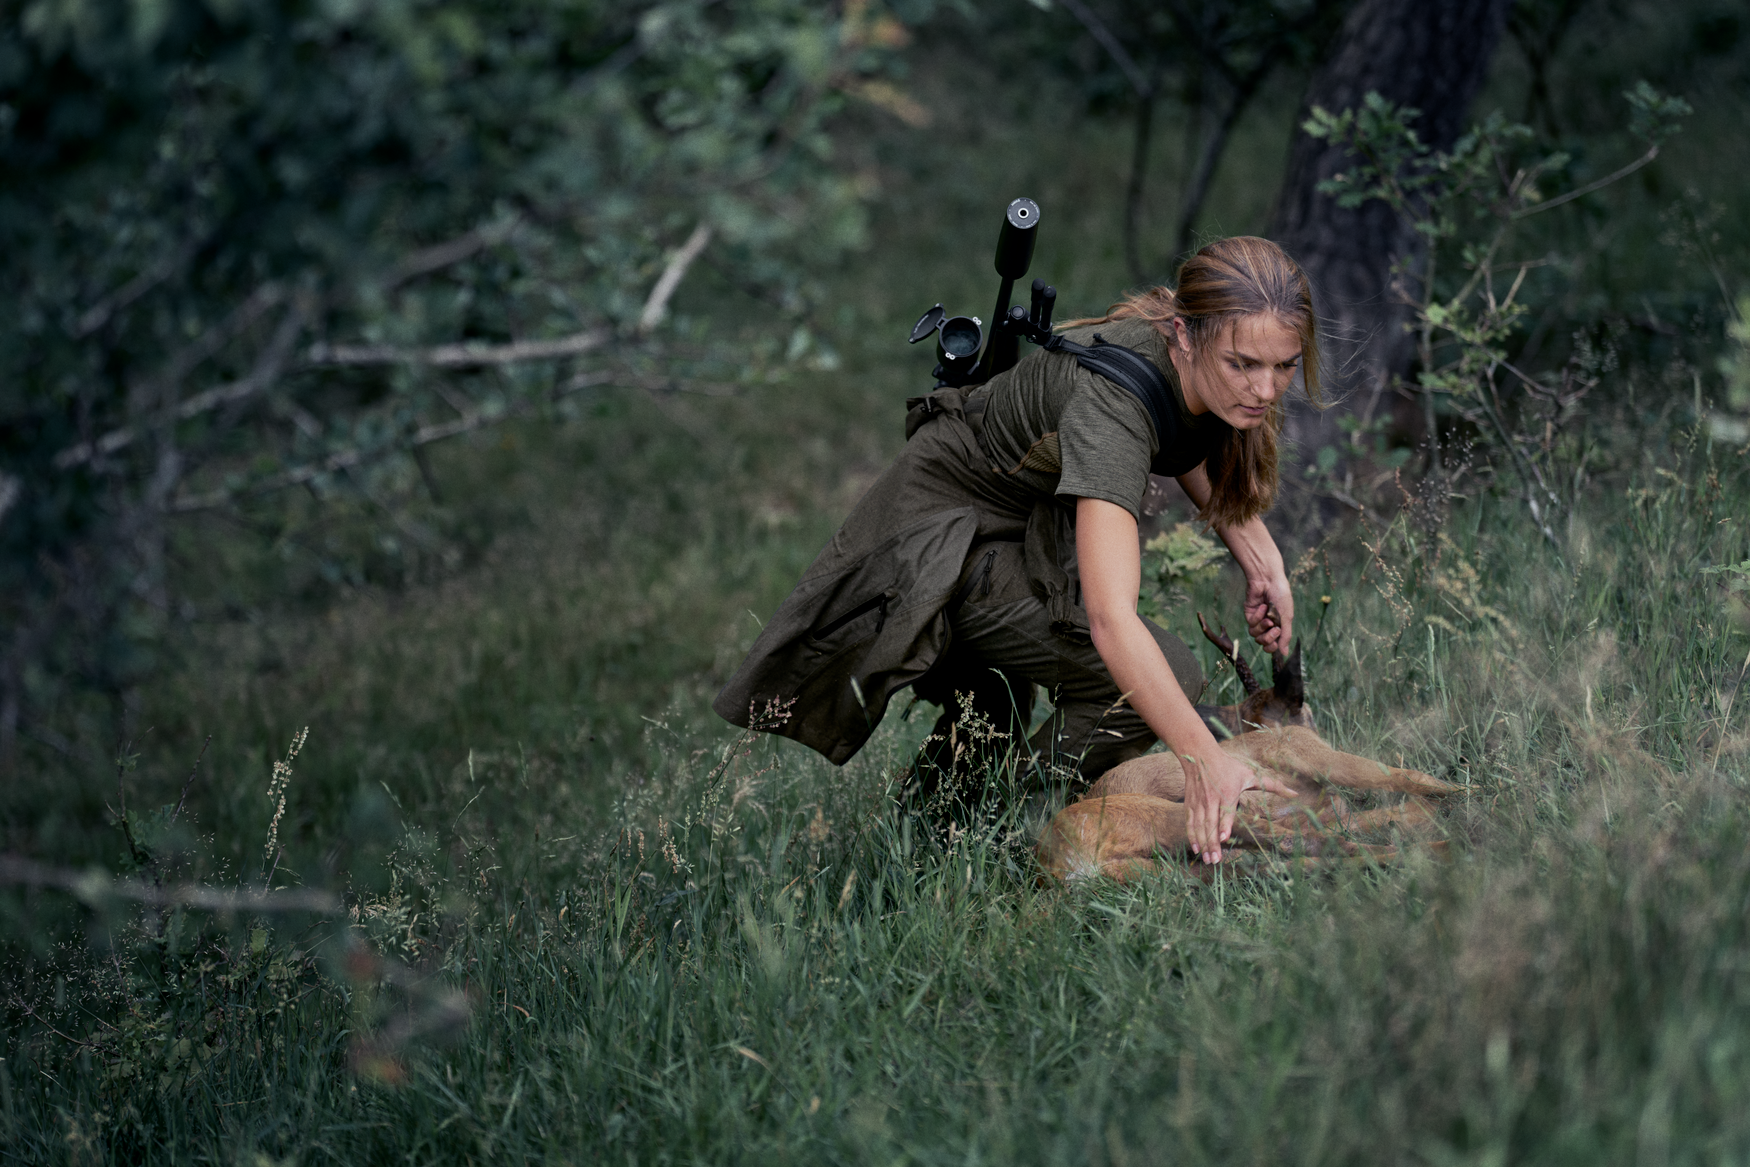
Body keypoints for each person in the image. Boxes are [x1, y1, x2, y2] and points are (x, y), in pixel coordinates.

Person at [714, 236, 1320, 863]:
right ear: (1184, 334)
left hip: (1017, 529)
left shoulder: (1177, 352)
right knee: (1162, 674)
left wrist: (1259, 556)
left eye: (1283, 367)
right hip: (945, 545)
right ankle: (1007, 832)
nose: (1266, 389)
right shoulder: (1112, 410)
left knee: (995, 712)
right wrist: (1205, 762)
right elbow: (1113, 621)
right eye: (1244, 364)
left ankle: (937, 836)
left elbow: (1178, 436)